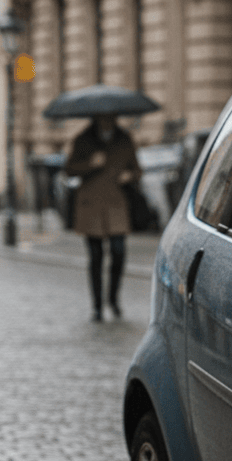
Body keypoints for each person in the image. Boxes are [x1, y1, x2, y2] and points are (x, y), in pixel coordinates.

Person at [65, 114, 142, 320]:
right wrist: (91, 164)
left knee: (118, 253)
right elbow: (69, 169)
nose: (106, 120)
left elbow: (137, 170)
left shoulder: (124, 138)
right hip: (91, 206)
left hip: (116, 204)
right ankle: (97, 306)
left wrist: (130, 175)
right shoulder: (83, 139)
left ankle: (113, 299)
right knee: (96, 258)